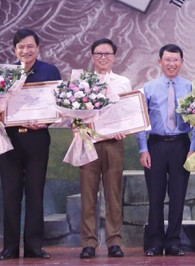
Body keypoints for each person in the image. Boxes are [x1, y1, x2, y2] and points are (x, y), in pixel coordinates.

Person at [0, 28, 61, 260]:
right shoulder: (5, 74)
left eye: (30, 46)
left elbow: (58, 104)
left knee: (35, 193)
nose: (26, 51)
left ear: (38, 48)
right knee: (10, 194)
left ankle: (34, 246)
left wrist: (45, 121)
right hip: (10, 139)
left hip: (37, 139)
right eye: (21, 47)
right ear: (15, 50)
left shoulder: (50, 71)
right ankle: (10, 247)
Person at [136, 44, 193, 257]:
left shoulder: (190, 87)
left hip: (181, 145)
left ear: (182, 62)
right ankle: (155, 242)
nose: (171, 64)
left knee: (178, 197)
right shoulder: (148, 88)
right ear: (160, 62)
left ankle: (174, 242)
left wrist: (193, 148)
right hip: (155, 146)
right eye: (167, 60)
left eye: (175, 60)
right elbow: (141, 121)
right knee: (156, 197)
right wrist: (143, 149)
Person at [78, 38, 132, 259]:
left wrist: (124, 129)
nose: (103, 57)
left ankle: (114, 242)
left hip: (113, 143)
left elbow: (127, 112)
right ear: (92, 57)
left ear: (114, 57)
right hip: (88, 142)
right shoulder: (82, 81)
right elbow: (74, 112)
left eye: (107, 54)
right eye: (99, 53)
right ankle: (88, 243)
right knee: (88, 195)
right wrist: (77, 125)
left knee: (113, 194)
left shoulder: (123, 82)